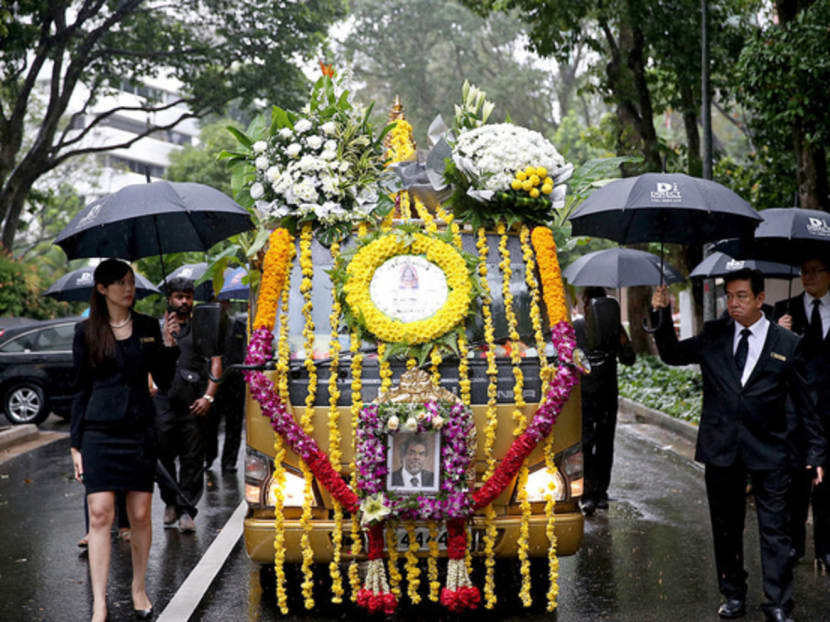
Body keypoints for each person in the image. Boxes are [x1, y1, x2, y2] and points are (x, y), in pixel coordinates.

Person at [651, 269, 826, 622]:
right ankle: (732, 594)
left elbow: (807, 405)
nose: (733, 303)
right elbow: (670, 353)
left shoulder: (786, 343)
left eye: (742, 296)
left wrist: (817, 453)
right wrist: (660, 313)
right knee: (726, 526)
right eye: (729, 295)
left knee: (775, 528)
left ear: (761, 299)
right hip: (722, 448)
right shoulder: (714, 335)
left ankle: (778, 602)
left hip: (772, 449)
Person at [69, 259, 179, 622]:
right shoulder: (85, 331)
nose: (128, 288)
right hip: (98, 433)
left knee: (141, 514)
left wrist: (168, 345)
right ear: (102, 289)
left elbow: (163, 379)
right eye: (119, 283)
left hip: (138, 431)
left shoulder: (148, 326)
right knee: (100, 514)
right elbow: (80, 389)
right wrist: (75, 443)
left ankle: (138, 588)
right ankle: (100, 601)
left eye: (130, 282)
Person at [773, 257, 830, 571]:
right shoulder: (784, 309)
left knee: (827, 483)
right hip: (796, 411)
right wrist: (778, 332)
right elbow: (769, 355)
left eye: (814, 271)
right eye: (803, 271)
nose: (807, 276)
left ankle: (826, 546)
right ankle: (794, 544)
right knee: (796, 482)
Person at [152, 277, 222, 532]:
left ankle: (186, 512)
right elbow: (148, 364)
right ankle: (171, 501)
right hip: (164, 404)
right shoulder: (158, 330)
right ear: (169, 299)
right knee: (163, 455)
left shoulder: (202, 328)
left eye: (188, 297)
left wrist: (209, 397)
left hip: (194, 403)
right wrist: (164, 340)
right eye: (179, 297)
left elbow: (215, 362)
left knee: (193, 459)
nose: (184, 302)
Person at [573, 287, 635, 515]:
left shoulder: (614, 327)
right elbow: (570, 359)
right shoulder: (577, 328)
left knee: (606, 443)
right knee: (586, 444)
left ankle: (601, 493)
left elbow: (629, 358)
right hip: (584, 395)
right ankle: (587, 494)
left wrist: (621, 341)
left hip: (607, 394)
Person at [201, 308, 246, 473]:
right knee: (210, 423)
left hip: (235, 380)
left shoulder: (238, 325)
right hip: (214, 381)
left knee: (234, 424)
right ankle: (209, 457)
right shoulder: (207, 324)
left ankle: (229, 462)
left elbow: (244, 349)